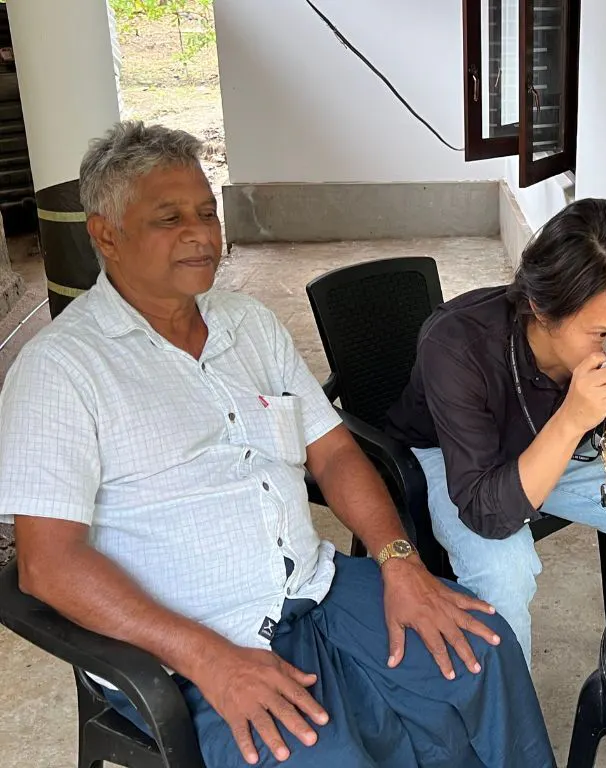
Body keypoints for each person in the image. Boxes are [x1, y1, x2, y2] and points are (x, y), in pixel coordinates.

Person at [0, 121, 555, 768]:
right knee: (328, 753)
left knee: (483, 650)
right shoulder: (62, 369)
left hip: (316, 589)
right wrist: (209, 659)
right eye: (169, 218)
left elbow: (335, 452)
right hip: (191, 646)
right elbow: (48, 565)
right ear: (105, 235)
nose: (201, 233)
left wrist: (400, 561)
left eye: (207, 212)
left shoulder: (249, 324)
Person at [387, 198, 606, 663]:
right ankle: (511, 706)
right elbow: (488, 513)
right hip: (451, 455)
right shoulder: (457, 342)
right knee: (504, 572)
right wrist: (571, 418)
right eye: (603, 336)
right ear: (542, 311)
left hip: (565, 444)